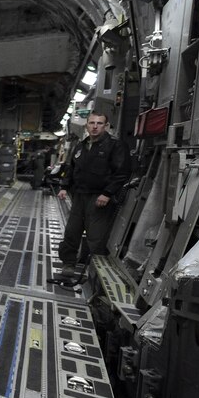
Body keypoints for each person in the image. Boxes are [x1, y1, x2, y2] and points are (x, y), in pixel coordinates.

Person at [57, 111, 132, 277]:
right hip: (79, 195)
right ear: (87, 125)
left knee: (96, 235)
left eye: (99, 123)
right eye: (92, 123)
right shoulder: (81, 146)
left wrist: (107, 193)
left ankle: (94, 270)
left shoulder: (115, 145)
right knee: (72, 231)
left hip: (99, 197)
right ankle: (69, 263)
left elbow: (122, 172)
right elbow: (71, 168)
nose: (95, 127)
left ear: (106, 126)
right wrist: (64, 186)